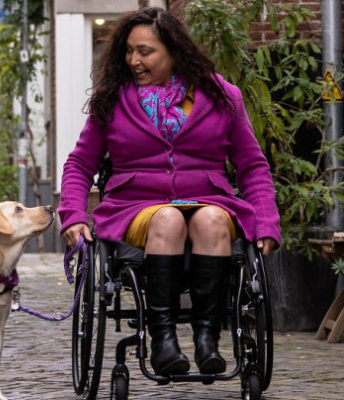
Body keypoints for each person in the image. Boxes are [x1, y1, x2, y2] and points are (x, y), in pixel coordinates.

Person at [56, 7, 281, 377]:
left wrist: (267, 221)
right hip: (135, 206)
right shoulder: (111, 100)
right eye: (129, 51)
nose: (134, 60)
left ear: (173, 50)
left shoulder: (223, 96)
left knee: (212, 219)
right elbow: (80, 164)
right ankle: (162, 341)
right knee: (168, 217)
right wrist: (74, 215)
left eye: (145, 52)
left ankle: (207, 339)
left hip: (210, 199)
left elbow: (253, 166)